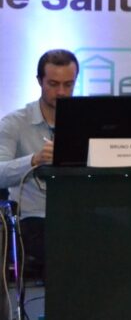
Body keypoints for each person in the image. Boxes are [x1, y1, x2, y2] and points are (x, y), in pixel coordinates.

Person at [0, 48, 79, 281]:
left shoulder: (87, 120)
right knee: (67, 250)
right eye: (53, 84)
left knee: (129, 241)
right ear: (39, 81)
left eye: (68, 85)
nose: (61, 92)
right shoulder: (15, 123)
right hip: (33, 218)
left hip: (79, 214)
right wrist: (33, 159)